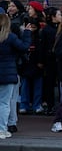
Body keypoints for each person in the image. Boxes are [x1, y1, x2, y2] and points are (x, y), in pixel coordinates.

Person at [0, 11, 32, 140]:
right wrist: (27, 33)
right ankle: (2, 129)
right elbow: (24, 47)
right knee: (4, 103)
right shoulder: (10, 37)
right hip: (8, 74)